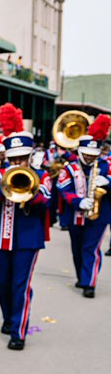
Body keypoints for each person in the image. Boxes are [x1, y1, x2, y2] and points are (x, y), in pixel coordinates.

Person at [0, 104, 51, 350]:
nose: (19, 162)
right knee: (2, 283)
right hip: (0, 237)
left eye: (23, 158)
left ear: (30, 157)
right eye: (14, 158)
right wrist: (5, 183)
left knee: (21, 285)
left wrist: (28, 187)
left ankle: (18, 332)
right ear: (7, 157)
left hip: (28, 239)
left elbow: (45, 202)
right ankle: (8, 319)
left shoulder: (41, 176)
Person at [56, 114, 111, 298]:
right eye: (86, 154)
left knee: (91, 248)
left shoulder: (106, 166)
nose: (89, 157)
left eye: (93, 155)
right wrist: (78, 201)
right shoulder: (69, 168)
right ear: (79, 152)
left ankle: (90, 284)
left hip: (100, 215)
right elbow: (63, 189)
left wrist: (109, 182)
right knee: (77, 248)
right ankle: (82, 277)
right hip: (75, 215)